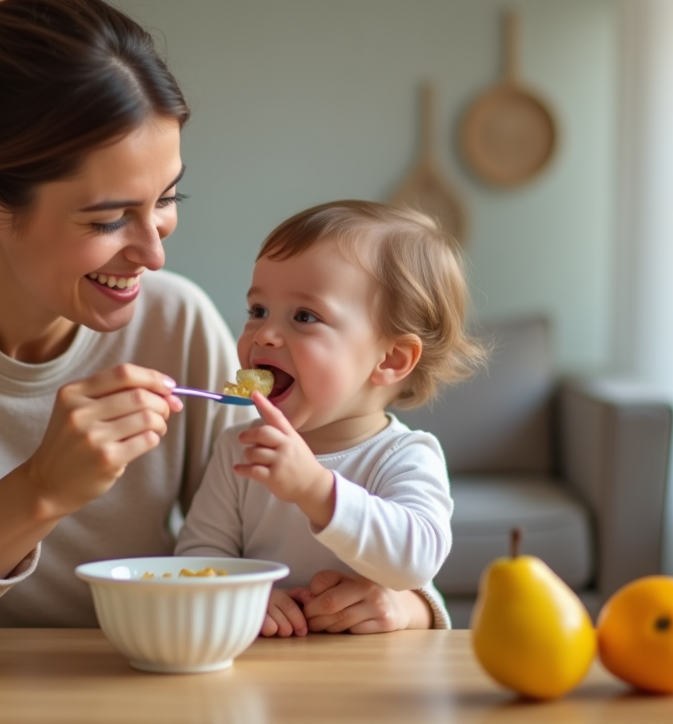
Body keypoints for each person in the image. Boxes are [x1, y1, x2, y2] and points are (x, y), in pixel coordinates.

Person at [0, 0, 440, 630]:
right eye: (109, 217)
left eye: (167, 199)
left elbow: (268, 526)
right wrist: (39, 491)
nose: (153, 253)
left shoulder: (176, 324)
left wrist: (406, 604)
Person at [176, 200, 487, 634]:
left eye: (304, 316)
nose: (263, 334)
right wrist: (242, 593)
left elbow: (417, 559)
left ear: (391, 359)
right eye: (257, 310)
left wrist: (315, 489)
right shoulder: (240, 447)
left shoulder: (404, 456)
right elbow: (197, 558)